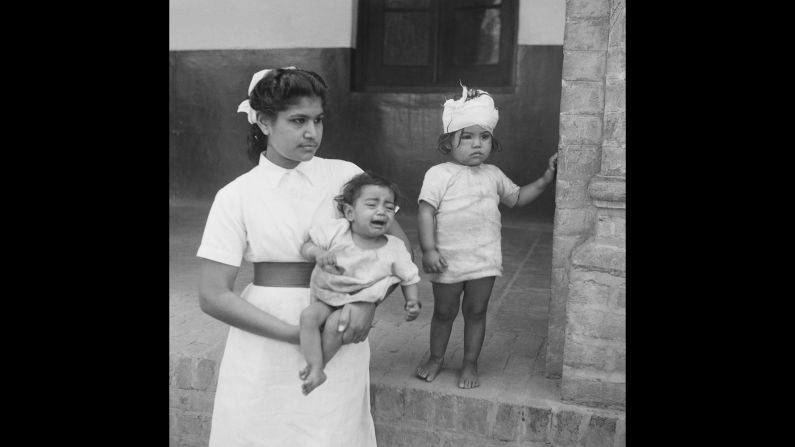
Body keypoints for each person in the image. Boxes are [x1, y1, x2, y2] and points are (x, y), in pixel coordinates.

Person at [197, 66, 412, 446]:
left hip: (338, 332)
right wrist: (294, 333)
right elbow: (213, 294)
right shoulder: (237, 195)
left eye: (318, 120)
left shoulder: (345, 177)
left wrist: (367, 302)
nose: (312, 133)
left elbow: (397, 249)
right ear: (264, 121)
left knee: (332, 431)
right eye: (297, 121)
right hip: (263, 339)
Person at [414, 83, 558, 389]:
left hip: (484, 260)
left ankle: (470, 363)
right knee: (443, 312)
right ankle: (436, 358)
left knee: (476, 312)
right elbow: (426, 211)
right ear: (447, 143)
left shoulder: (493, 175)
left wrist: (545, 179)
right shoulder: (439, 175)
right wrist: (428, 250)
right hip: (448, 261)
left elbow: (517, 198)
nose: (477, 144)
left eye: (484, 137)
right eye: (466, 136)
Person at [298, 172, 422, 395]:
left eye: (388, 207)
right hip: (326, 295)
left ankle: (318, 367)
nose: (381, 211)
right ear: (349, 212)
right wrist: (318, 253)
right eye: (372, 205)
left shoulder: (394, 247)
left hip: (356, 302)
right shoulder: (337, 231)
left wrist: (412, 301)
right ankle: (314, 362)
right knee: (308, 317)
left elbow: (409, 276)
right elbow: (306, 246)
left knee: (337, 324)